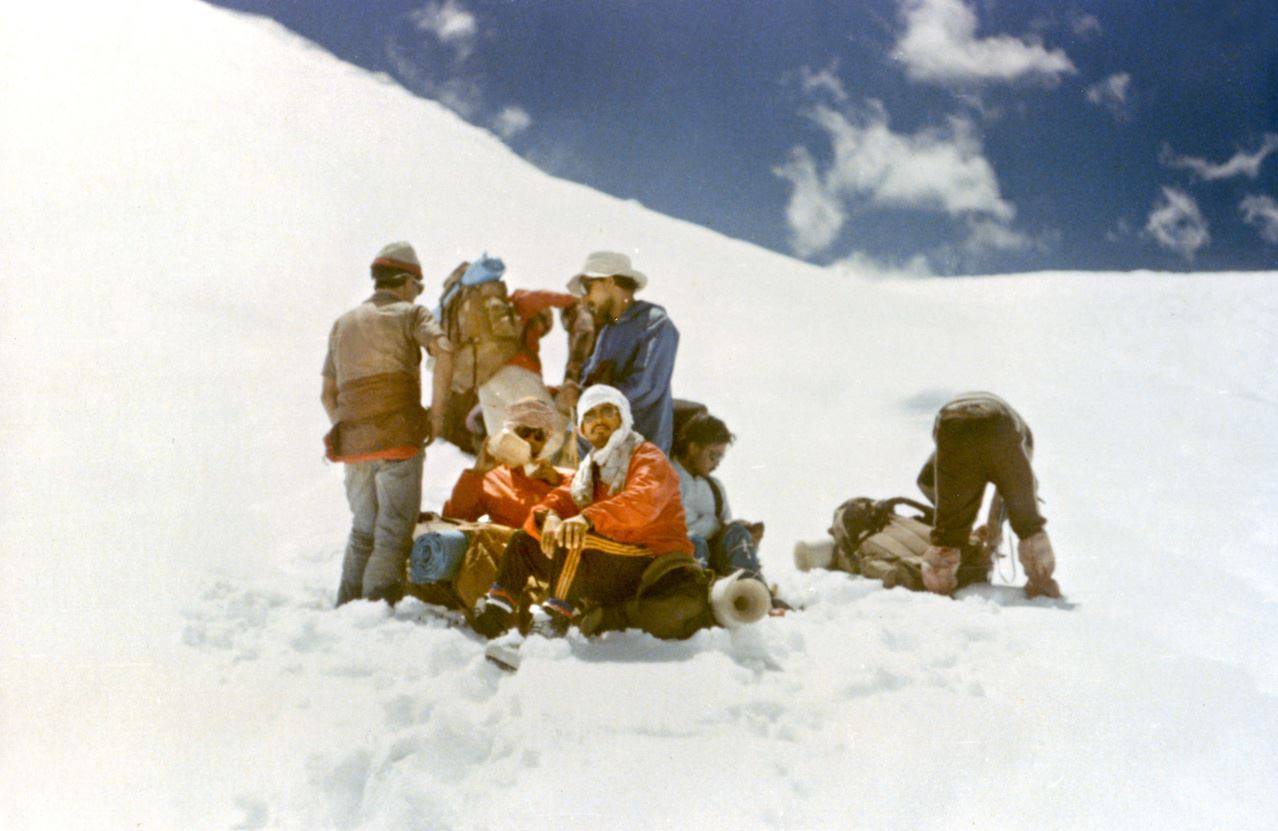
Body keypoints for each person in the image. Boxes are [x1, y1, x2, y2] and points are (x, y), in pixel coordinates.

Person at [471, 384, 693, 638]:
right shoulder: (590, 469)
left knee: (573, 539)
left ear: (623, 417)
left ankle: (552, 624)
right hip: (610, 560)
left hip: (650, 559)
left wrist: (586, 518)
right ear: (582, 430)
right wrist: (550, 517)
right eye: (590, 415)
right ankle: (495, 615)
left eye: (607, 411)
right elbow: (562, 498)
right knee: (523, 542)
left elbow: (643, 502)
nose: (599, 420)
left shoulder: (647, 457)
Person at [322, 241, 453, 607]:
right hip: (399, 437)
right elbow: (444, 351)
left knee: (363, 530)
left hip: (353, 445)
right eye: (418, 287)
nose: (418, 294)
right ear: (407, 281)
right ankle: (373, 612)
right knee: (393, 531)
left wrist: (351, 427)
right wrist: (436, 416)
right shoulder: (413, 314)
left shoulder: (342, 324)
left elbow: (327, 394)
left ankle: (346, 609)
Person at [916, 392, 1060, 598]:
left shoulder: (953, 439)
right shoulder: (1020, 437)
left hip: (950, 422)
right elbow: (1014, 495)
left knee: (947, 534)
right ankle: (1042, 584)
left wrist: (954, 519)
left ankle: (938, 588)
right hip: (999, 422)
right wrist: (992, 539)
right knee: (1029, 526)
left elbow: (926, 481)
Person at [435, 254, 577, 456]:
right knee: (550, 436)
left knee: (503, 449)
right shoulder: (519, 302)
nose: (540, 329)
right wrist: (573, 300)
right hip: (516, 373)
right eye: (542, 323)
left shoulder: (491, 321)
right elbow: (542, 297)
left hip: (485, 382)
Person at [564, 251, 679, 454]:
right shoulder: (609, 329)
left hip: (638, 456)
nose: (584, 299)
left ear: (609, 281)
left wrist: (586, 397)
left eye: (586, 288)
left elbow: (645, 387)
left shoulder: (656, 324)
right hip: (598, 455)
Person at [441, 397, 570, 528]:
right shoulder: (491, 477)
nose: (531, 440)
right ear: (511, 432)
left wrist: (557, 483)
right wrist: (476, 474)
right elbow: (453, 519)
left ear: (546, 441)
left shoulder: (563, 477)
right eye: (524, 432)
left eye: (539, 435)